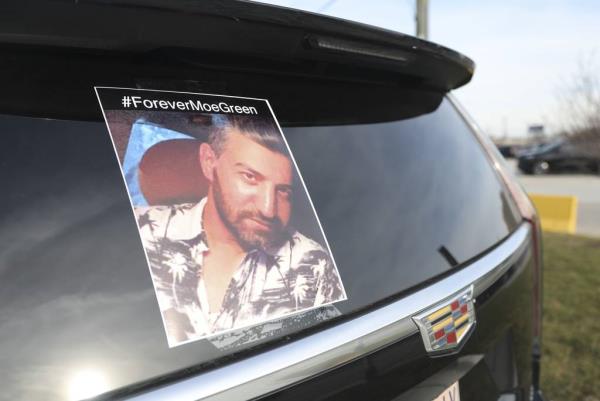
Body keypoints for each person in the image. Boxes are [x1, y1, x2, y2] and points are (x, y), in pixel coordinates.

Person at [135, 115, 345, 345]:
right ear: (208, 162)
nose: (268, 210)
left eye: (283, 191)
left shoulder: (314, 265)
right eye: (250, 177)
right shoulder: (140, 230)